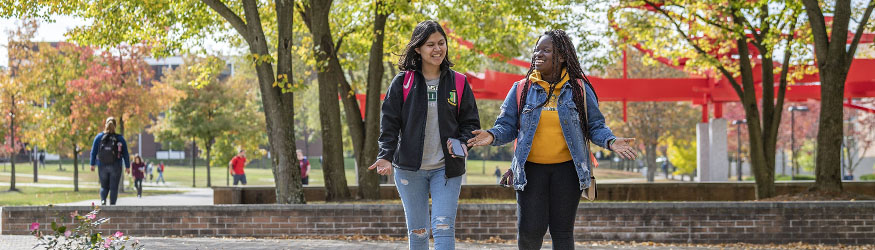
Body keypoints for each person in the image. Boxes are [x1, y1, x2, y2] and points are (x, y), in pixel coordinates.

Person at [467, 30, 638, 250]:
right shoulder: (521, 89)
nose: (538, 54)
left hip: (567, 171)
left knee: (562, 232)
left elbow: (595, 126)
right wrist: (491, 135)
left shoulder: (579, 90)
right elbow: (507, 126)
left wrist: (611, 141)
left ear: (562, 56)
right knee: (529, 233)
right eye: (537, 49)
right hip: (530, 171)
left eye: (546, 50)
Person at [369, 20, 480, 250]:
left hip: (447, 169)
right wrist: (385, 155)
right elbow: (389, 124)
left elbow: (470, 123)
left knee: (444, 228)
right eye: (430, 44)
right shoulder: (403, 82)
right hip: (410, 170)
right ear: (418, 48)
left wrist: (461, 144)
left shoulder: (458, 82)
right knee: (418, 233)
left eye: (441, 43)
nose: (437, 49)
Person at [90, 117, 131, 206]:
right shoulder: (120, 138)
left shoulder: (99, 137)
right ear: (115, 126)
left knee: (104, 186)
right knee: (114, 187)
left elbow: (93, 152)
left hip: (102, 165)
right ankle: (112, 206)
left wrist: (92, 164)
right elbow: (125, 154)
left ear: (105, 124)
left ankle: (103, 201)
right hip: (116, 166)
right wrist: (127, 166)